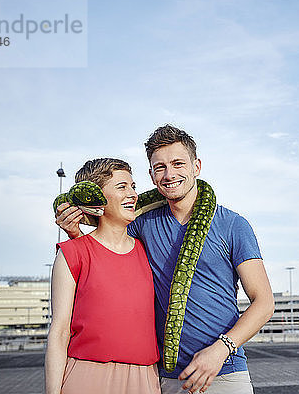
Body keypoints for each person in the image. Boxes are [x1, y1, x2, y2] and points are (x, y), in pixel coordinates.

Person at [57, 125, 275, 394]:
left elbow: (264, 303)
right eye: (160, 167)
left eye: (178, 163)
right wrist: (75, 230)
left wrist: (219, 351)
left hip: (225, 373)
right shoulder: (143, 224)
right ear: (151, 174)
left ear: (197, 166)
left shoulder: (233, 225)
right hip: (167, 379)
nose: (169, 174)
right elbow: (106, 249)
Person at [46, 158, 161, 394]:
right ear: (95, 198)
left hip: (144, 379)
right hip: (87, 378)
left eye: (133, 186)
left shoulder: (149, 251)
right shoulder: (72, 253)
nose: (133, 194)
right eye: (122, 187)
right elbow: (59, 333)